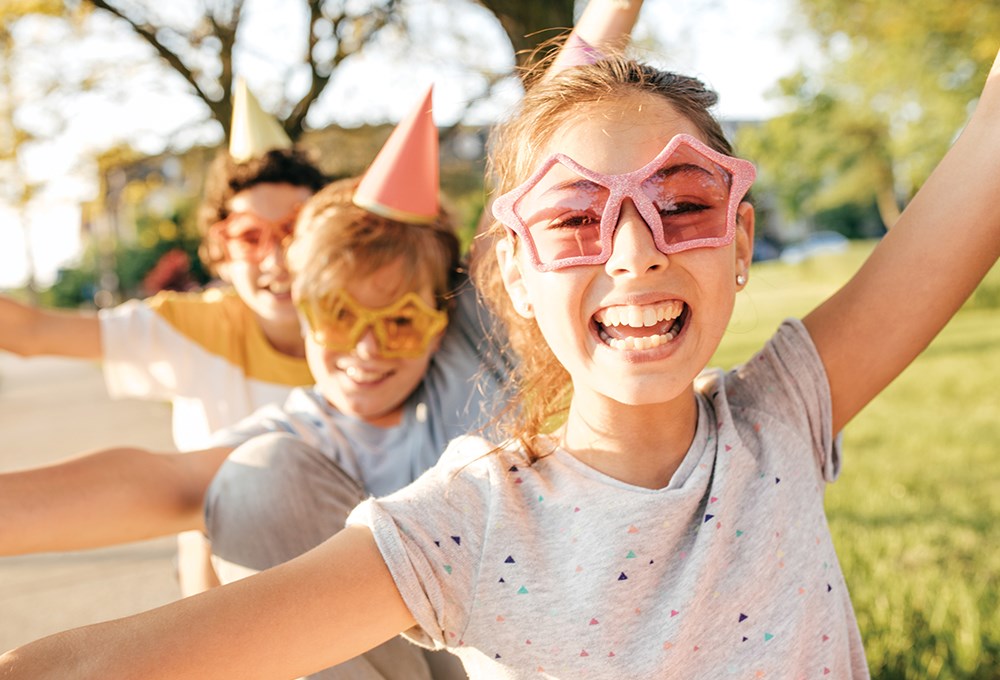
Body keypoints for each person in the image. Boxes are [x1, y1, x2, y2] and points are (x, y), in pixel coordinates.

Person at [37, 7, 1000, 680]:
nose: (634, 252)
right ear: (513, 281)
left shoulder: (781, 416)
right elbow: (116, 660)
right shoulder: (468, 521)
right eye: (577, 219)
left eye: (683, 203)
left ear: (741, 240)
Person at [0, 80, 327, 595]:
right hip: (226, 586)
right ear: (218, 250)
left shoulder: (375, 336)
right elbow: (31, 332)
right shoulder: (189, 327)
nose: (275, 259)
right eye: (249, 236)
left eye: (295, 231)